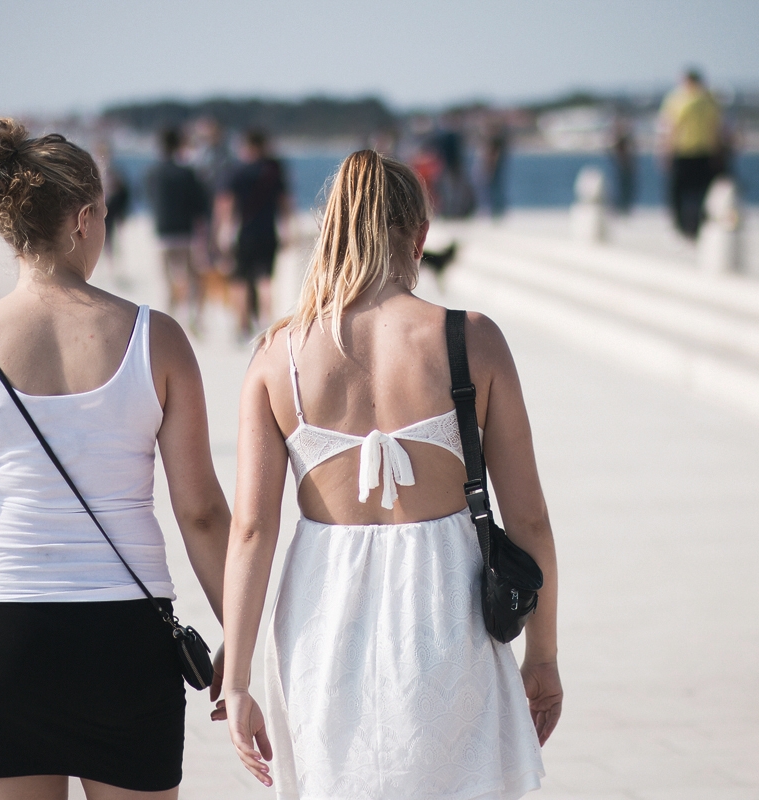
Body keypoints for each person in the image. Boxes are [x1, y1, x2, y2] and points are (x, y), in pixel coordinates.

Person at [0, 117, 231, 800]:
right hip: (126, 637)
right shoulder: (156, 339)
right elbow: (202, 512)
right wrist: (239, 640)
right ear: (83, 218)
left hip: (4, 636)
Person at [220, 150, 562, 799]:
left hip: (321, 613)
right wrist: (541, 654)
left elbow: (252, 531)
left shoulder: (277, 355)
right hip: (446, 609)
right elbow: (530, 519)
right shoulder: (472, 339)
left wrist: (236, 682)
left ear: (331, 232)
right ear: (420, 235)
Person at [218, 129, 289, 341]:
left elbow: (226, 204)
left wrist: (224, 231)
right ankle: (266, 322)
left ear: (247, 146)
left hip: (244, 233)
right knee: (265, 279)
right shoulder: (273, 171)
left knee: (240, 280)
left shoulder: (237, 171)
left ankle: (242, 326)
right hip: (268, 231)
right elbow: (285, 203)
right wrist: (286, 228)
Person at [147, 127, 210, 332]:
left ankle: (166, 321)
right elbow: (200, 205)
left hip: (162, 232)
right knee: (191, 279)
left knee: (166, 282)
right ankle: (192, 318)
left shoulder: (153, 172)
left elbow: (149, 198)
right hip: (185, 233)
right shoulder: (187, 173)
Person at [659, 69, 723, 239]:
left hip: (683, 151)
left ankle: (681, 227)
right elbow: (715, 129)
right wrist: (717, 153)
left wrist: (666, 151)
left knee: (677, 193)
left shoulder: (678, 99)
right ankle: (697, 226)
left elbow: (671, 127)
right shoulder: (709, 101)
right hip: (705, 152)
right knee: (701, 192)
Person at [611, 113, 637, 215]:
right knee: (621, 187)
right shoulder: (619, 137)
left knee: (626, 187)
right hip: (621, 164)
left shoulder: (624, 137)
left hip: (625, 164)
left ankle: (624, 207)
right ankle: (621, 207)